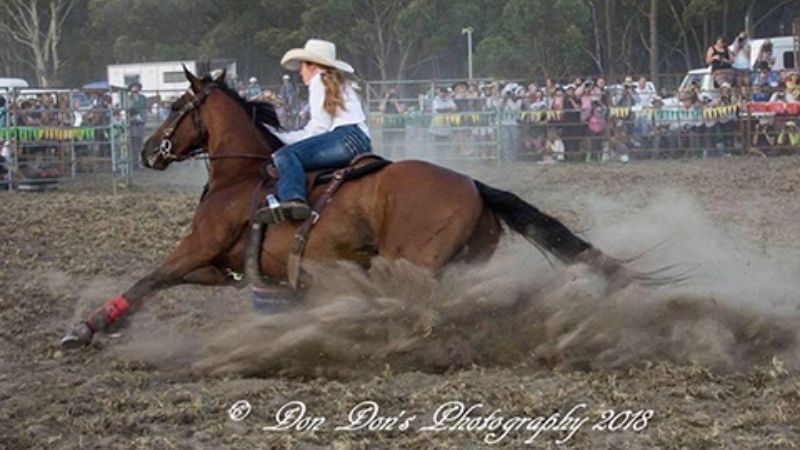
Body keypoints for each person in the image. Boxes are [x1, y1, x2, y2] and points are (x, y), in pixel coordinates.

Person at [255, 39, 371, 223]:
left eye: (302, 66)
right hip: (360, 140)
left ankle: (293, 199)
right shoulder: (337, 82)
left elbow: (318, 129)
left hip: (344, 138)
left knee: (284, 156)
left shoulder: (319, 81)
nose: (300, 72)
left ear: (313, 66)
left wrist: (279, 137)